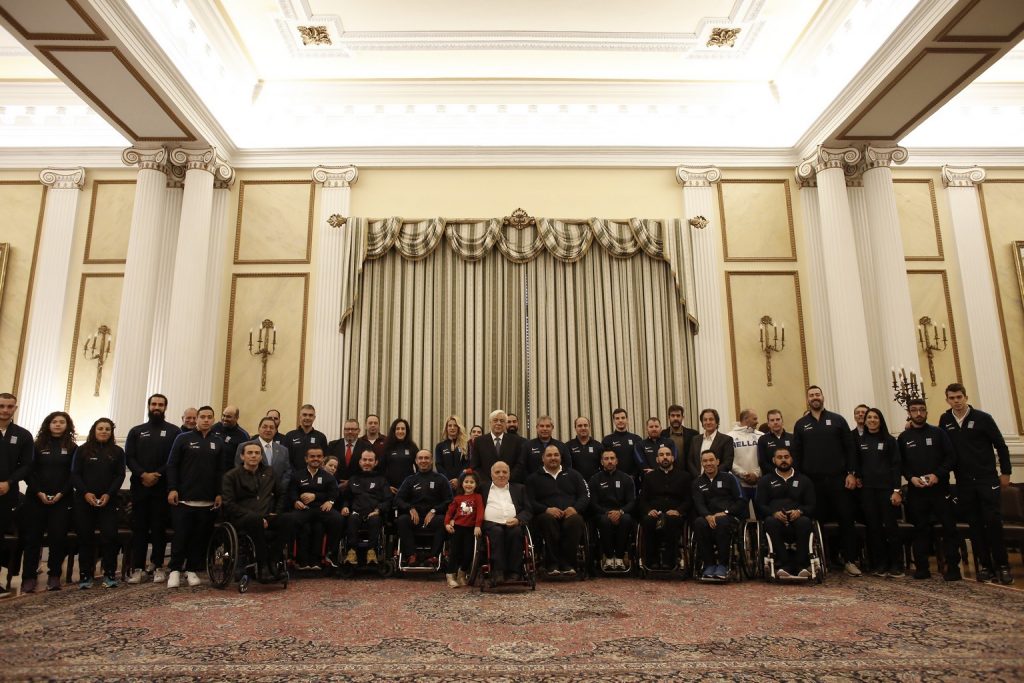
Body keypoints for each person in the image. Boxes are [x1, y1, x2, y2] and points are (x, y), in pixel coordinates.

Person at [939, 383, 1013, 585]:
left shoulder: (983, 418)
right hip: (964, 482)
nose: (956, 401)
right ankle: (985, 566)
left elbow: (1001, 445)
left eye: (959, 397)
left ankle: (1003, 566)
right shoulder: (945, 420)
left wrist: (1006, 472)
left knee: (993, 523)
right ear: (947, 400)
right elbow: (941, 445)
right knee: (975, 525)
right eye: (952, 398)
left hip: (987, 479)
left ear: (966, 397)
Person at [791, 386, 861, 576]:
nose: (815, 397)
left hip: (839, 480)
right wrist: (799, 480)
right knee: (816, 521)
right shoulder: (801, 424)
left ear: (823, 397)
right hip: (812, 482)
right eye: (811, 395)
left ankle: (849, 560)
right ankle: (821, 560)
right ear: (807, 399)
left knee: (846, 519)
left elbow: (850, 448)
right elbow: (796, 454)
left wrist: (851, 473)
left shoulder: (838, 420)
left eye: (817, 394)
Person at [898, 398, 961, 581]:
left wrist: (937, 475)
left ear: (926, 412)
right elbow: (900, 464)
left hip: (940, 491)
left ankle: (953, 568)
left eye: (922, 409)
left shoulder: (938, 433)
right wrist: (911, 478)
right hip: (917, 492)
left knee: (949, 529)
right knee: (920, 530)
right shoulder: (903, 438)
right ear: (909, 413)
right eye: (914, 410)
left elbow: (951, 457)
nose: (918, 413)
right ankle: (922, 568)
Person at [166, 406, 224, 588]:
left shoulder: (218, 442)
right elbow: (172, 465)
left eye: (209, 417)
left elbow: (220, 471)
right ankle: (174, 570)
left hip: (207, 500)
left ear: (213, 420)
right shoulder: (183, 438)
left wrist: (219, 493)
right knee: (181, 536)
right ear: (197, 419)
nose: (206, 420)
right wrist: (172, 488)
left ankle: (191, 569)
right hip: (184, 499)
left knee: (199, 538)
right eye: (203, 417)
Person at [125, 393, 180, 584]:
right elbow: (129, 457)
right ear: (149, 406)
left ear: (165, 407)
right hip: (140, 487)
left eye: (160, 404)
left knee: (158, 528)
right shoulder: (136, 431)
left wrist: (156, 475)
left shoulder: (174, 432)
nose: (157, 407)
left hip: (161, 487)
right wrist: (143, 474)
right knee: (139, 528)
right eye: (154, 404)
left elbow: (174, 459)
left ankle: (157, 566)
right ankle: (138, 568)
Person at [20, 411, 77, 593]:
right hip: (36, 498)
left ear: (67, 425)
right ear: (48, 424)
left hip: (62, 499)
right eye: (54, 422)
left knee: (57, 538)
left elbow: (74, 474)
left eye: (62, 422)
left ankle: (54, 576)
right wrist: (39, 492)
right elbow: (28, 471)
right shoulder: (36, 446)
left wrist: (61, 493)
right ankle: (28, 577)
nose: (58, 424)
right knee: (33, 539)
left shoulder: (73, 447)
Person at [222, 442, 293, 582]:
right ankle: (262, 567)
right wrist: (256, 517)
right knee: (255, 520)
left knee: (289, 519)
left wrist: (276, 512)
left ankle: (273, 560)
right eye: (250, 453)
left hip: (267, 516)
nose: (253, 456)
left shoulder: (270, 472)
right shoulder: (231, 476)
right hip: (242, 518)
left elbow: (281, 494)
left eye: (257, 453)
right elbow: (229, 503)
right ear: (242, 456)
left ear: (261, 457)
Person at [71, 418, 126, 589]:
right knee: (85, 538)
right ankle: (85, 575)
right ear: (94, 430)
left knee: (110, 537)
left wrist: (109, 494)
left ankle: (109, 574)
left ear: (111, 432)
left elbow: (120, 475)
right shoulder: (82, 450)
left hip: (108, 501)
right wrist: (85, 493)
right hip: (84, 501)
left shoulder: (118, 452)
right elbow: (75, 474)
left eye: (107, 429)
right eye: (100, 428)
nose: (104, 431)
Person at [527, 444, 589, 576]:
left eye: (556, 455)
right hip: (545, 517)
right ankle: (552, 564)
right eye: (549, 455)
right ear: (543, 458)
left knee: (576, 521)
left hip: (570, 515)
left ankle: (568, 564)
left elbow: (585, 496)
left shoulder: (574, 475)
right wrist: (546, 509)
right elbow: (529, 501)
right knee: (547, 520)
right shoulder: (533, 478)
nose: (553, 458)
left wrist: (575, 508)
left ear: (561, 457)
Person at [755, 447, 816, 580]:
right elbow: (760, 504)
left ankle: (801, 565)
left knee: (805, 522)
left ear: (791, 459)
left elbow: (811, 504)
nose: (783, 460)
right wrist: (773, 513)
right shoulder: (765, 480)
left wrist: (800, 511)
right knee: (770, 522)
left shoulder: (804, 480)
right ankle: (785, 564)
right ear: (774, 460)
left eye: (786, 457)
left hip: (798, 518)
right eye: (779, 457)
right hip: (776, 519)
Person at [857, 408, 903, 577]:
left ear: (880, 420)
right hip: (868, 491)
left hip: (887, 490)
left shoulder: (890, 440)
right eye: (869, 417)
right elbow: (857, 464)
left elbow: (896, 466)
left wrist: (897, 490)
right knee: (874, 528)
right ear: (865, 421)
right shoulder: (861, 441)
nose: (872, 420)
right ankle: (880, 563)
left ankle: (896, 564)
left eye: (875, 417)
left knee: (890, 527)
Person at [286, 446, 344, 569]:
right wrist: (296, 501)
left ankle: (330, 554)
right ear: (306, 459)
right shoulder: (297, 475)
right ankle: (291, 556)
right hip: (304, 509)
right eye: (312, 456)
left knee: (338, 519)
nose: (315, 459)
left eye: (318, 456)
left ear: (322, 459)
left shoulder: (329, 477)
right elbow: (291, 491)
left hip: (321, 509)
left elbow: (333, 493)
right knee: (288, 520)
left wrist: (329, 501)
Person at [692, 449, 745, 580]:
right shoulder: (697, 482)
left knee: (722, 521)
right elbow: (699, 503)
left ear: (717, 461)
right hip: (707, 517)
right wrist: (707, 516)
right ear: (702, 463)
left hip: (728, 516)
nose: (708, 463)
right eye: (705, 461)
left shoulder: (730, 478)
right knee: (699, 523)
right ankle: (709, 564)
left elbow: (741, 500)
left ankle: (723, 565)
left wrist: (726, 512)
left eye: (711, 460)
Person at [638, 444, 692, 571]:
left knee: (671, 520)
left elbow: (689, 500)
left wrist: (678, 511)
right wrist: (649, 510)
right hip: (654, 513)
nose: (665, 457)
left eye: (668, 454)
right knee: (648, 521)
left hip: (675, 515)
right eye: (661, 455)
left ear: (673, 458)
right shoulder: (649, 477)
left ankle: (670, 560)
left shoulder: (684, 476)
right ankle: (652, 561)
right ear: (657, 459)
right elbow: (642, 500)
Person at [395, 450, 453, 567]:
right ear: (416, 461)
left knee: (443, 521)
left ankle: (434, 557)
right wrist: (410, 507)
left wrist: (434, 510)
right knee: (402, 520)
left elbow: (449, 501)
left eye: (426, 458)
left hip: (434, 517)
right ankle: (411, 555)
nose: (423, 461)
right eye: (420, 458)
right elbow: (398, 499)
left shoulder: (441, 479)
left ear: (431, 461)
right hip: (415, 517)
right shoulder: (410, 480)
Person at [0, 393, 32, 598]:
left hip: (7, 494)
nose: (5, 410)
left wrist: (8, 482)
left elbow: (27, 465)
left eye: (9, 406)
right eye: (1, 406)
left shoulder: (23, 435)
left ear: (15, 408)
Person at [481, 460, 532, 586]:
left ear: (509, 474)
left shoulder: (520, 488)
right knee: (497, 532)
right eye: (497, 472)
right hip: (491, 525)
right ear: (491, 474)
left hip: (513, 524)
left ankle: (515, 572)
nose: (501, 475)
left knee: (516, 532)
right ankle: (498, 571)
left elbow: (528, 510)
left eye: (504, 472)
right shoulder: (482, 488)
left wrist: (518, 519)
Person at [341, 450, 392, 565]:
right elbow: (346, 498)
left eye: (370, 460)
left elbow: (388, 500)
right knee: (352, 518)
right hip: (356, 513)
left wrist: (378, 510)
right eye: (364, 460)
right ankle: (351, 552)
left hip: (374, 513)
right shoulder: (353, 479)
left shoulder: (382, 480)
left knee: (375, 519)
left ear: (375, 462)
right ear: (360, 462)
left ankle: (371, 551)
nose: (367, 462)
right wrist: (345, 507)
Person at [588, 449, 636, 570]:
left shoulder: (626, 479)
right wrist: (607, 513)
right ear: (601, 462)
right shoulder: (594, 479)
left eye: (612, 458)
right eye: (606, 458)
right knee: (604, 520)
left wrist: (620, 512)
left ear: (617, 461)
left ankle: (620, 557)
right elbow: (593, 503)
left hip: (622, 512)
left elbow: (632, 501)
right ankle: (608, 557)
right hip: (602, 513)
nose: (609, 461)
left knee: (627, 519)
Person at [444, 469, 484, 588]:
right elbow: (449, 512)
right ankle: (450, 576)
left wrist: (478, 525)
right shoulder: (457, 498)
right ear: (462, 483)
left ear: (476, 484)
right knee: (454, 552)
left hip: (470, 529)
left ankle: (462, 574)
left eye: (472, 482)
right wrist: (447, 523)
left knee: (468, 553)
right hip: (457, 529)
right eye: (466, 482)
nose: (469, 484)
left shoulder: (478, 497)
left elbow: (480, 512)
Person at [234, 417, 291, 494]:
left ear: (275, 430)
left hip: (277, 494)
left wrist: (279, 488)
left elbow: (287, 472)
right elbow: (238, 469)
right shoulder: (245, 446)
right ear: (259, 429)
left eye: (271, 427)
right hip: (251, 494)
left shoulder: (283, 450)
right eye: (265, 427)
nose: (268, 430)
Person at [470, 410, 523, 481]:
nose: (498, 423)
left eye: (502, 421)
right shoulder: (479, 441)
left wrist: (507, 479)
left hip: (509, 483)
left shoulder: (515, 441)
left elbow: (519, 464)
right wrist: (488, 482)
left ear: (505, 424)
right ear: (490, 423)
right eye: (495, 420)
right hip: (486, 483)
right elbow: (475, 466)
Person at [686, 409, 735, 479]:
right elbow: (690, 461)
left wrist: (711, 476)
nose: (708, 422)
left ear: (717, 422)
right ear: (702, 423)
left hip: (718, 480)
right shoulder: (695, 439)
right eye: (705, 420)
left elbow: (727, 463)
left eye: (711, 419)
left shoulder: (726, 440)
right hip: (698, 480)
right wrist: (699, 477)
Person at [728, 409, 763, 502]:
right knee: (742, 511)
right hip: (739, 484)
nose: (757, 421)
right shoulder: (729, 437)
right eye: (754, 419)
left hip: (760, 483)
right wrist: (743, 474)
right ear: (746, 419)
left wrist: (756, 474)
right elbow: (728, 460)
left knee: (762, 511)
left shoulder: (761, 436)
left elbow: (766, 458)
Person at [602, 408, 644, 480]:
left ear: (627, 419)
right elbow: (605, 461)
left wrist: (634, 475)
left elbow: (640, 460)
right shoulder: (607, 440)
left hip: (634, 479)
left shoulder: (637, 439)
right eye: (617, 418)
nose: (620, 420)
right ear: (614, 421)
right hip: (614, 479)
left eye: (623, 418)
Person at [284, 405, 328, 472]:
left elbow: (324, 459)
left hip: (315, 476)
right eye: (304, 415)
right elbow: (285, 459)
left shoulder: (321, 437)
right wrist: (295, 474)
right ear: (300, 417)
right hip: (293, 476)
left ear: (314, 418)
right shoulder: (290, 436)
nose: (307, 418)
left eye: (310, 415)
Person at [328, 419, 369, 489]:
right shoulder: (333, 445)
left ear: (358, 431)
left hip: (358, 486)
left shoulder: (366, 446)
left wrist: (351, 482)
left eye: (353, 429)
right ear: (343, 431)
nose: (350, 432)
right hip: (335, 485)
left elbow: (367, 469)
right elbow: (327, 467)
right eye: (347, 429)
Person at [381, 418, 419, 493]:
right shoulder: (387, 446)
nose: (400, 431)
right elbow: (381, 469)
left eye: (403, 429)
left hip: (408, 488)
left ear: (406, 431)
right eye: (397, 429)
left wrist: (415, 484)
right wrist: (387, 486)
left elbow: (419, 467)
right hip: (390, 488)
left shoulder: (412, 446)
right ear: (393, 431)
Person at [434, 415, 469, 488]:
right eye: (450, 425)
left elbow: (466, 464)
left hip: (461, 483)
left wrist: (458, 479)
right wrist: (448, 480)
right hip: (445, 483)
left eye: (455, 425)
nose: (452, 428)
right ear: (446, 428)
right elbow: (438, 465)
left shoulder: (465, 445)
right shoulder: (440, 446)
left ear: (459, 428)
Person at [756, 410, 793, 478]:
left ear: (782, 421)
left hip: (791, 476)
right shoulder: (763, 439)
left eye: (778, 419)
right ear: (768, 423)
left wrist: (788, 473)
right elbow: (763, 462)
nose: (775, 422)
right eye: (772, 420)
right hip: (771, 477)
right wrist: (779, 473)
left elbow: (796, 458)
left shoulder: (792, 438)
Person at [566, 416, 603, 483]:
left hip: (594, 484)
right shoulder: (568, 446)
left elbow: (603, 468)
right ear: (575, 428)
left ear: (589, 427)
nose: (583, 428)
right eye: (580, 426)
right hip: (575, 484)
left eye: (585, 425)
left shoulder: (598, 446)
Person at [663, 404, 699, 468]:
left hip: (688, 472)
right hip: (668, 471)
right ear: (668, 417)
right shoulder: (662, 434)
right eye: (673, 416)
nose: (675, 418)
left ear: (682, 417)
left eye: (678, 415)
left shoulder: (693, 434)